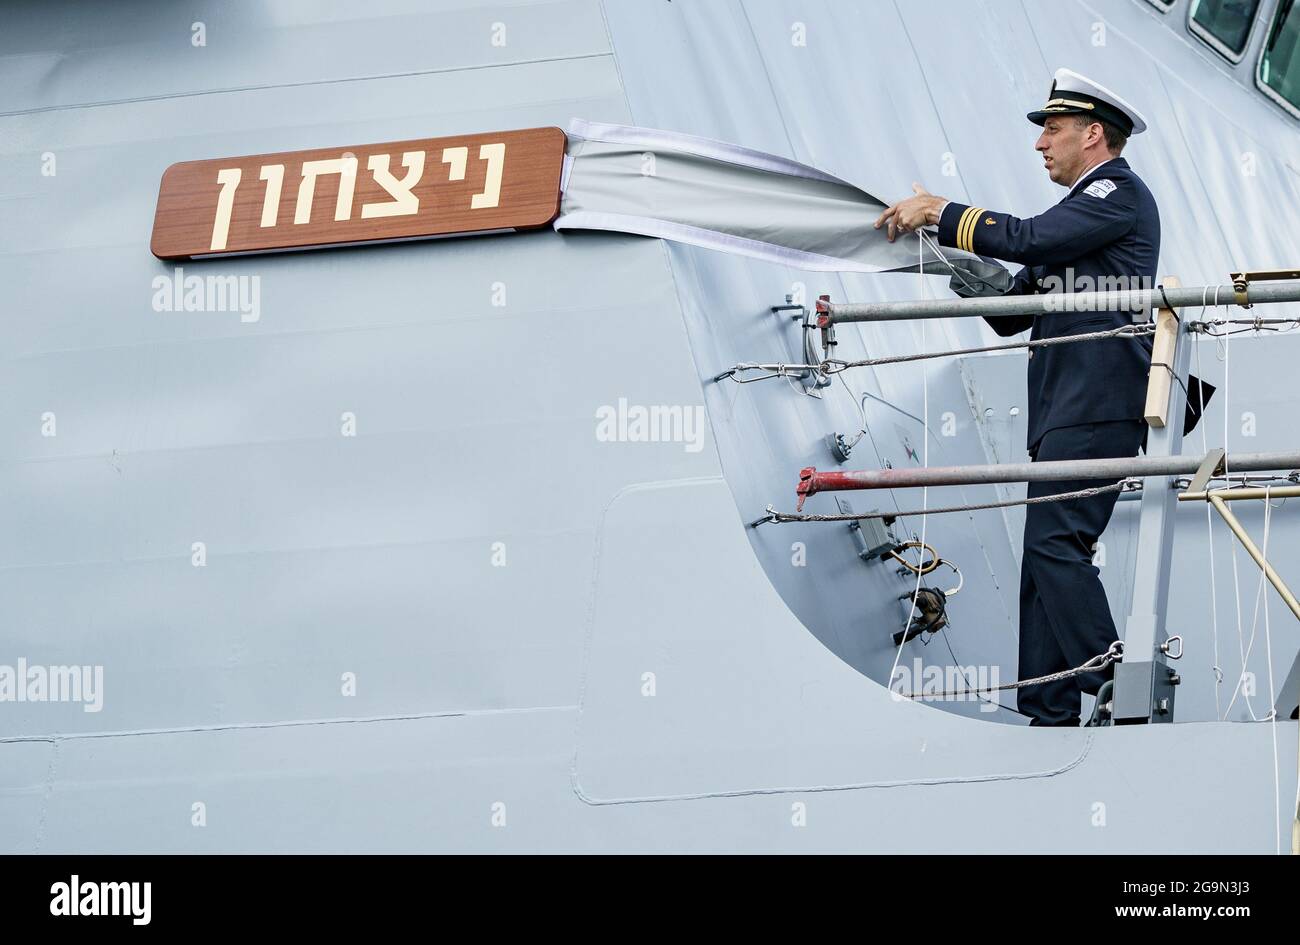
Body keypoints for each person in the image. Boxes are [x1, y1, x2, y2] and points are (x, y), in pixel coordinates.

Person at [874, 68, 1160, 726]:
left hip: (1097, 405)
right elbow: (1010, 309)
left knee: (1058, 544)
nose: (1040, 145)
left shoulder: (1116, 192)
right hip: (1065, 409)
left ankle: (1115, 678)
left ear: (1093, 135)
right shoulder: (1081, 217)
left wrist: (943, 211)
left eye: (1052, 131)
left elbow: (1027, 239)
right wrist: (938, 250)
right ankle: (1049, 708)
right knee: (1042, 556)